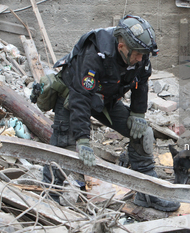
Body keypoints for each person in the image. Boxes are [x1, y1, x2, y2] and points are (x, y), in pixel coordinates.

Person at [43, 15, 180, 212]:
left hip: (105, 98)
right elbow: (80, 97)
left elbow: (141, 83)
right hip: (73, 96)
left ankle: (147, 194)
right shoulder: (94, 54)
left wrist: (137, 114)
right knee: (63, 146)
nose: (141, 59)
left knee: (143, 136)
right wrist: (83, 140)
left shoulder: (140, 52)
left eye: (144, 55)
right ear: (121, 46)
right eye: (137, 54)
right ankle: (49, 197)